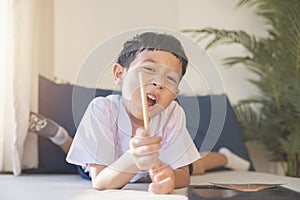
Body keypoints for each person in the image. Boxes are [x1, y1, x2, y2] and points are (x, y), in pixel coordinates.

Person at [28, 32, 250, 194]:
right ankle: (61, 136)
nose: (159, 82)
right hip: (108, 166)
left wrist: (170, 177)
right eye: (149, 69)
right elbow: (101, 182)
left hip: (149, 169)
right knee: (80, 161)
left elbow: (184, 174)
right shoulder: (101, 109)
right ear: (119, 74)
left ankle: (227, 157)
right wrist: (133, 159)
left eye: (170, 78)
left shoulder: (172, 113)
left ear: (176, 93)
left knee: (197, 165)